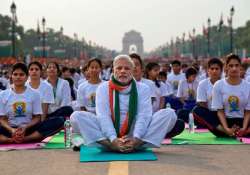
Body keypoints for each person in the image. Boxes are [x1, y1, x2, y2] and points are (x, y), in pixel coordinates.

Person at [70, 55, 179, 153]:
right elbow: (103, 116)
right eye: (119, 68)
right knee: (76, 117)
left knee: (169, 114)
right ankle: (110, 146)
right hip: (107, 136)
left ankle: (136, 145)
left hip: (136, 135)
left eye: (127, 68)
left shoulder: (143, 88)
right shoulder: (103, 88)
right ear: (113, 70)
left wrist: (136, 139)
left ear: (132, 71)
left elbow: (144, 116)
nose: (123, 71)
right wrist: (113, 139)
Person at [0, 63, 64, 144]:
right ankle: (10, 140)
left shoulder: (35, 94)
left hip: (29, 129)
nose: (18, 77)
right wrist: (12, 130)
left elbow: (37, 117)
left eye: (21, 74)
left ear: (27, 77)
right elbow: (2, 119)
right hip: (9, 130)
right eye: (15, 74)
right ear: (11, 77)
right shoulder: (3, 95)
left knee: (60, 121)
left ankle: (26, 139)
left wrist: (25, 127)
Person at [195, 54, 250, 137]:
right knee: (198, 110)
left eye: (236, 65)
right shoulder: (219, 85)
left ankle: (244, 132)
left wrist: (244, 128)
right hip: (224, 122)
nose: (234, 68)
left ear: (240, 67)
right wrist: (226, 129)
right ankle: (226, 132)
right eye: (231, 66)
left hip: (243, 121)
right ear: (226, 68)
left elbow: (248, 111)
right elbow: (220, 111)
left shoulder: (248, 86)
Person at [193, 58, 223, 128]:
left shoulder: (225, 83)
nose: (214, 71)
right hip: (209, 112)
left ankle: (214, 125)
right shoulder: (202, 84)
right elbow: (202, 103)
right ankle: (218, 127)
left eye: (217, 69)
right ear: (208, 70)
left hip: (223, 114)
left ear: (221, 70)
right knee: (197, 110)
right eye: (212, 69)